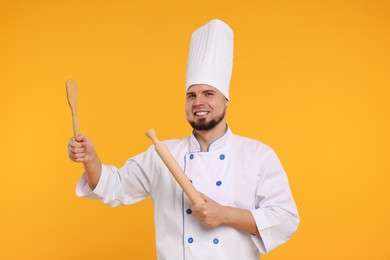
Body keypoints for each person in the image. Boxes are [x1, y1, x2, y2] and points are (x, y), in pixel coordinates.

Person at [68, 19, 299, 260]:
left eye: (209, 93)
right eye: (191, 95)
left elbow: (285, 219)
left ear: (226, 100)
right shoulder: (162, 154)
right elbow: (113, 186)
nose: (199, 102)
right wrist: (91, 158)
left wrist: (225, 214)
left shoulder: (257, 155)